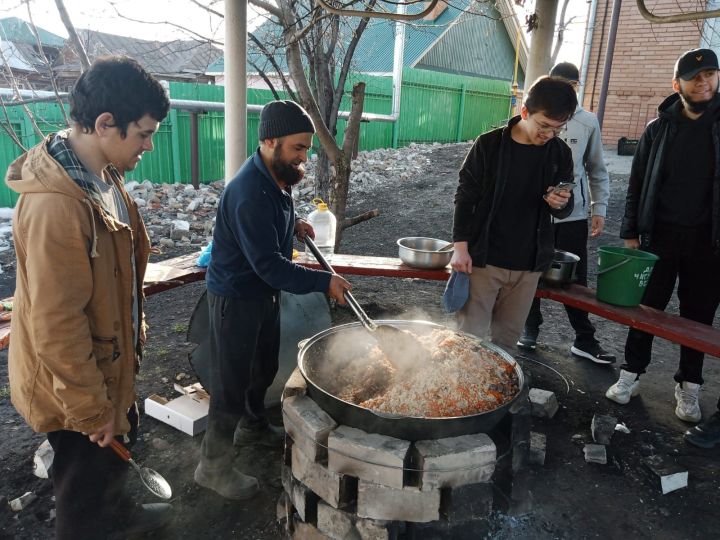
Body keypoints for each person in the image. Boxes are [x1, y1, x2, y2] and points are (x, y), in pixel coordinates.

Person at [6, 56, 171, 539]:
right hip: (73, 382)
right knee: (83, 488)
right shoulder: (56, 205)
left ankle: (118, 517)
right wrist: (92, 409)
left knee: (111, 467)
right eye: (142, 133)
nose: (148, 144)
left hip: (107, 363)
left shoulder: (102, 175)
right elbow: (56, 324)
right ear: (105, 125)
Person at [194, 100, 351, 499]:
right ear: (269, 141)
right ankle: (212, 468)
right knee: (230, 386)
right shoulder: (247, 192)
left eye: (306, 148)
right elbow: (271, 267)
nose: (304, 156)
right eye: (298, 148)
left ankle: (253, 426)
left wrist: (292, 223)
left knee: (261, 368)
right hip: (237, 298)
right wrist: (325, 282)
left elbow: (272, 225)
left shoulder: (276, 177)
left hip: (262, 296)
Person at [605, 49, 720, 424]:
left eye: (711, 74)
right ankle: (632, 373)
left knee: (698, 318)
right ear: (677, 85)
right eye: (695, 77)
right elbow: (636, 185)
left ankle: (689, 386)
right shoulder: (658, 129)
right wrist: (630, 233)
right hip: (660, 236)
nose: (704, 83)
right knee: (647, 308)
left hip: (709, 241)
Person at [450, 76, 577, 348]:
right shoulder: (489, 145)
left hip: (528, 265)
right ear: (525, 112)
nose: (549, 135)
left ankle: (499, 390)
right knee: (467, 339)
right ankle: (461, 388)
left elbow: (566, 206)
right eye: (543, 126)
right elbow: (465, 195)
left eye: (558, 129)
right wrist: (460, 247)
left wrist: (561, 203)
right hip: (485, 259)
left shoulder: (560, 153)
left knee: (507, 341)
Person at [517, 62, 615, 364]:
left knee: (574, 277)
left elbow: (596, 168)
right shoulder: (530, 118)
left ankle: (584, 339)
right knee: (529, 271)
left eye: (571, 86)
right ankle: (529, 328)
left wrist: (599, 206)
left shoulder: (586, 122)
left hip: (572, 216)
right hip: (534, 215)